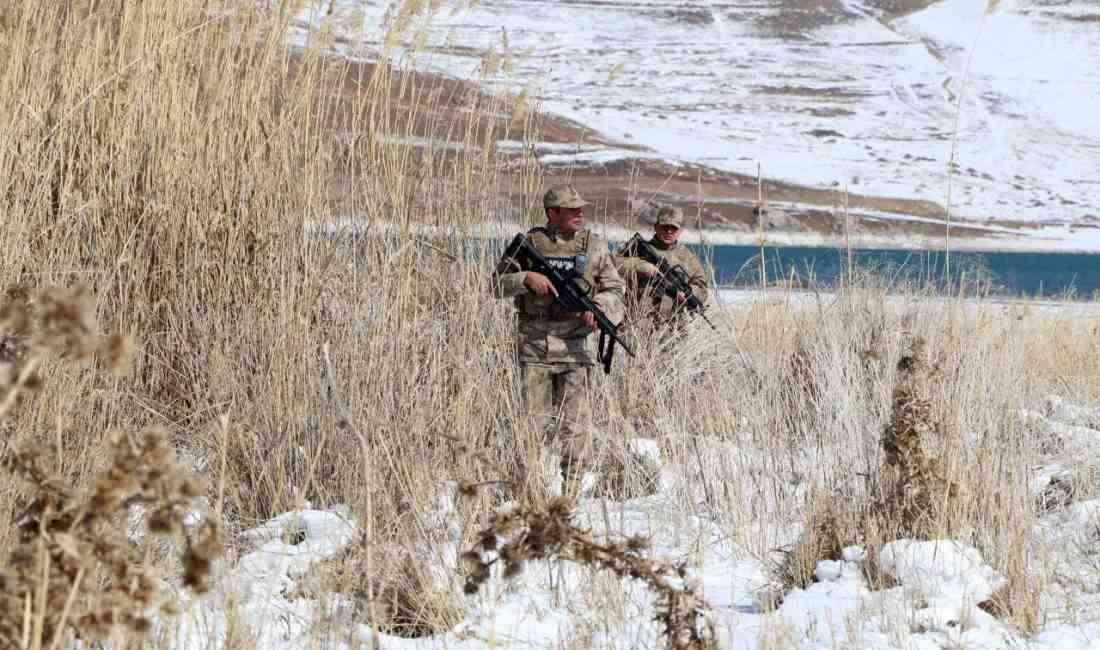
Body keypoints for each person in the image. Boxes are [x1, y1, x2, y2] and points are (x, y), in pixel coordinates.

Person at [492, 185, 625, 489]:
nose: (580, 214)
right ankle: (524, 489)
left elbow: (615, 289)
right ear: (552, 213)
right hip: (534, 346)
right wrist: (525, 278)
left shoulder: (594, 246)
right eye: (571, 209)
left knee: (575, 427)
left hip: (576, 349)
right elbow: (496, 284)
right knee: (531, 424)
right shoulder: (529, 243)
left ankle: (571, 492)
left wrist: (600, 308)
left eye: (581, 209)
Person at [614, 206, 708, 333]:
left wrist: (689, 293)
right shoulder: (639, 249)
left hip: (673, 327)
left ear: (680, 230)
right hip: (639, 322)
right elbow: (613, 265)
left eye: (673, 228)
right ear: (656, 227)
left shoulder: (688, 258)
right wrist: (640, 266)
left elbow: (702, 289)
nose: (669, 231)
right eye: (665, 227)